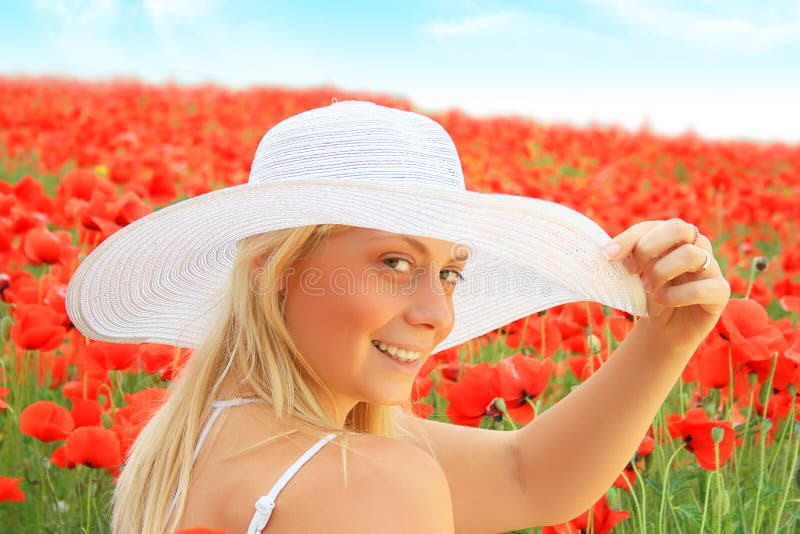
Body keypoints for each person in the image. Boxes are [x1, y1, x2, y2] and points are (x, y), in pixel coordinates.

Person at [65, 101, 731, 533]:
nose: (437, 313)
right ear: (274, 268)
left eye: (448, 272)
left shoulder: (189, 444)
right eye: (393, 262)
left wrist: (664, 342)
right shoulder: (368, 485)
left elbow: (525, 477)